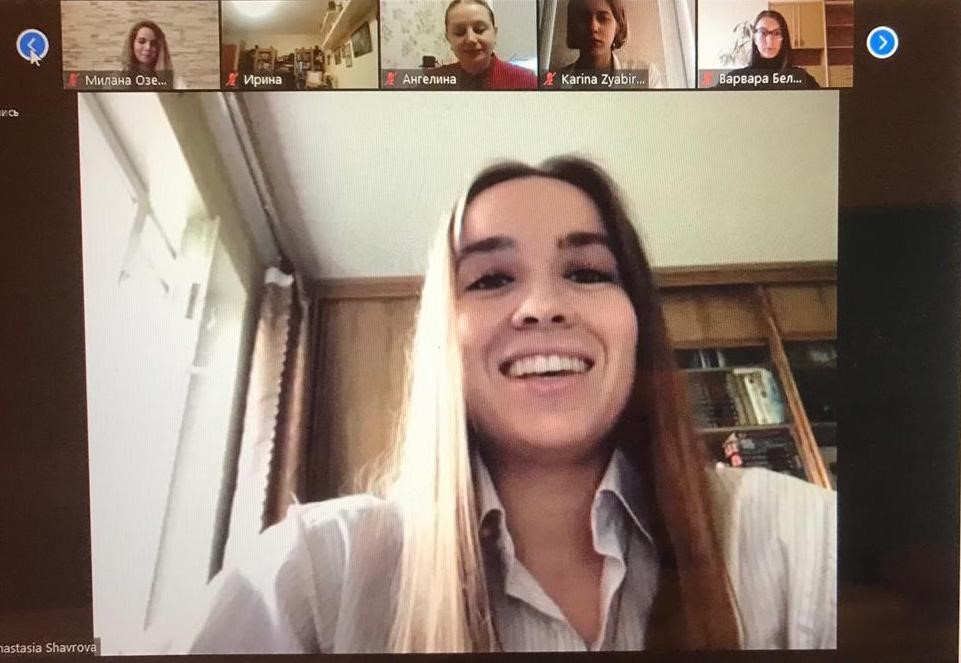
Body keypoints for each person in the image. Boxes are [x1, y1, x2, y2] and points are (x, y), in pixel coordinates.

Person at [174, 157, 836, 653]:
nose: (543, 306)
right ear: (442, 336)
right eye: (490, 279)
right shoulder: (314, 573)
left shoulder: (791, 538)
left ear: (637, 321)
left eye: (587, 272)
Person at [433, 0, 537, 90]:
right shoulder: (432, 82)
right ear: (448, 39)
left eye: (479, 29)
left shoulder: (526, 81)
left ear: (494, 34)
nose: (471, 39)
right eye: (460, 32)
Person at [561, 0, 662, 88]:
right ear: (573, 25)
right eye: (584, 18)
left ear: (618, 26)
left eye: (603, 18)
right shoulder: (556, 82)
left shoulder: (646, 77)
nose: (593, 27)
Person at [717, 10, 820, 90]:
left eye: (777, 33)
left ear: (784, 39)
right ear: (754, 38)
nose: (770, 40)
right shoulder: (737, 79)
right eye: (763, 32)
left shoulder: (801, 79)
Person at [121, 20, 183, 89]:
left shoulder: (175, 82)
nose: (148, 47)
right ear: (132, 44)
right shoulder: (118, 80)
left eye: (153, 43)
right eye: (142, 41)